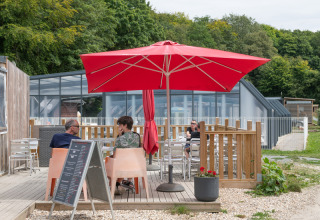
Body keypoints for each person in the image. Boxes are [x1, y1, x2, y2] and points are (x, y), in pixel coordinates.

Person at [109, 116, 140, 194]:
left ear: (125, 125)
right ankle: (126, 182)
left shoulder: (120, 138)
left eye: (120, 125)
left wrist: (119, 136)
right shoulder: (137, 136)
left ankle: (115, 184)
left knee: (110, 162)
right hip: (134, 165)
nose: (119, 126)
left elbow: (115, 152)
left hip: (122, 165)